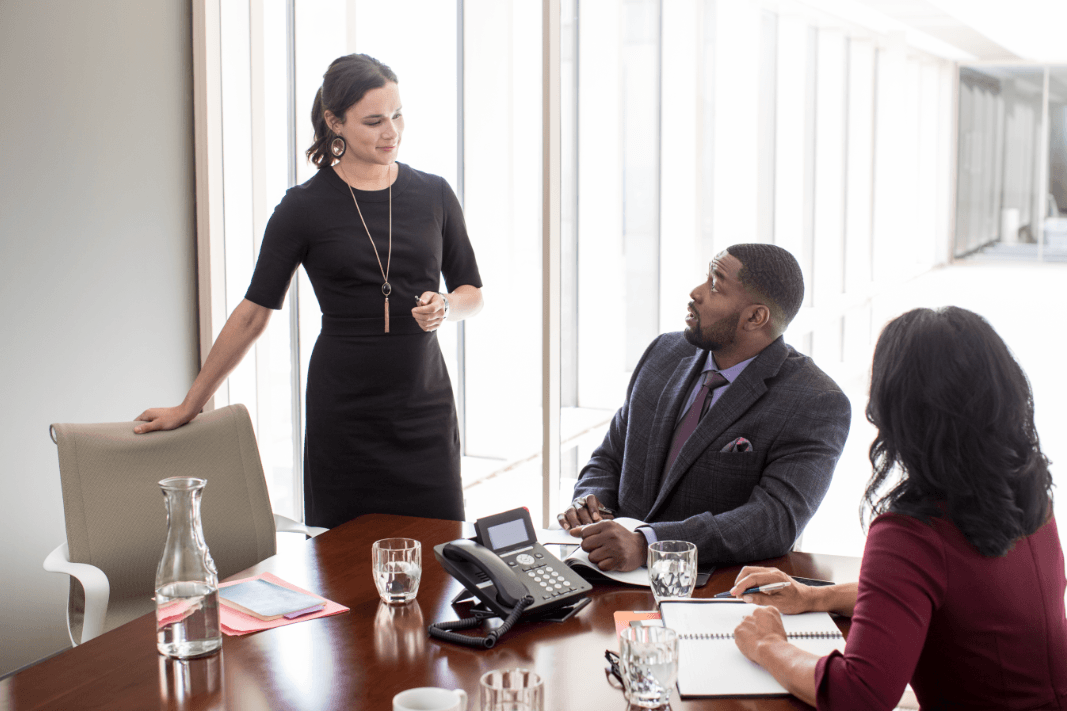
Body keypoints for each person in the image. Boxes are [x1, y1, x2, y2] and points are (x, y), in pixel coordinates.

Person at [134, 54, 483, 528]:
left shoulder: (435, 193)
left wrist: (446, 305)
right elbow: (253, 313)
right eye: (374, 121)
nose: (392, 132)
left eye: (398, 115)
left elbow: (471, 293)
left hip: (425, 414)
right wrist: (189, 406)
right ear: (334, 121)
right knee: (342, 568)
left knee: (439, 564)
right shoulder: (303, 207)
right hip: (344, 419)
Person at [730, 306, 1067, 710]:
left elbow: (859, 695)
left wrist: (768, 644)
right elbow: (952, 599)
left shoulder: (911, 532)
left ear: (896, 411)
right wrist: (817, 597)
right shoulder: (1028, 491)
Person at [558, 243, 851, 572]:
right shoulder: (663, 353)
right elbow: (611, 455)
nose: (696, 293)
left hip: (711, 593)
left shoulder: (815, 400)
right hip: (606, 573)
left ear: (755, 317)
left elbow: (775, 520)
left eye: (715, 286)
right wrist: (590, 502)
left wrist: (649, 543)